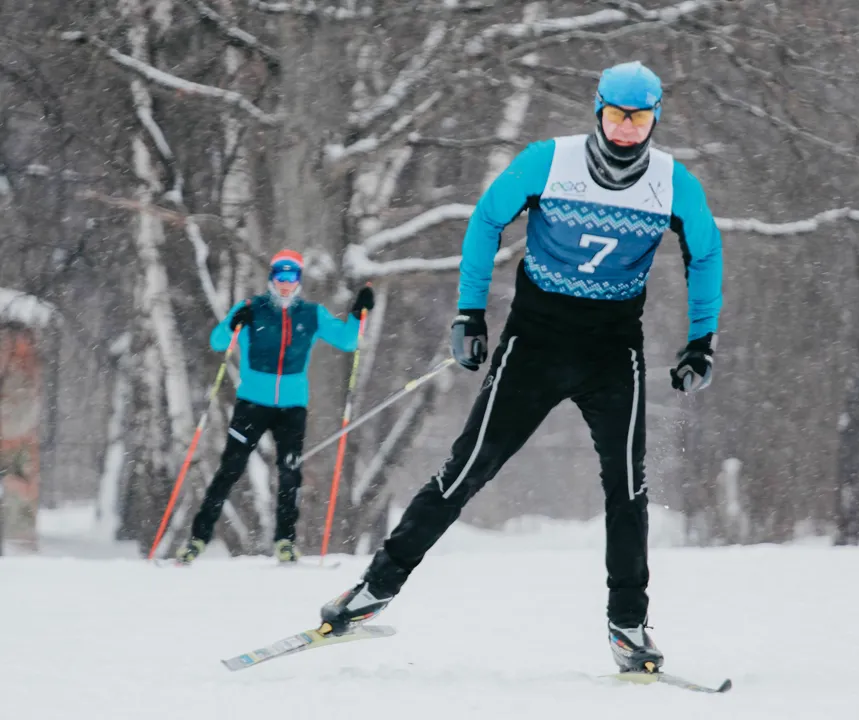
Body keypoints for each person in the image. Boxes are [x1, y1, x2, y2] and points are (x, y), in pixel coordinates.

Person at [321, 61, 723, 673]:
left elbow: (706, 254)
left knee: (628, 488)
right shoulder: (548, 161)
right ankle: (375, 589)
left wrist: (701, 342)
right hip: (534, 341)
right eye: (616, 114)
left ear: (655, 119)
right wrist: (469, 315)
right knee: (464, 473)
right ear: (598, 110)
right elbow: (486, 220)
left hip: (613, 351)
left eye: (638, 118)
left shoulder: (673, 184)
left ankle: (628, 625)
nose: (624, 129)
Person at [175, 249, 374, 565]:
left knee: (290, 472)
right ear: (271, 278)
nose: (284, 282)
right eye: (280, 275)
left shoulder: (311, 313)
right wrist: (232, 324)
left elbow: (348, 341)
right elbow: (217, 341)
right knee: (230, 469)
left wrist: (358, 314)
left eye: (291, 276)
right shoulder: (252, 308)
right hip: (252, 403)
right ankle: (198, 539)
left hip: (292, 406)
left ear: (298, 280)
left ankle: (285, 541)